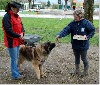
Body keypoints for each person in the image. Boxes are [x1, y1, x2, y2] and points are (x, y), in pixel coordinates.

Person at [56, 10, 95, 76]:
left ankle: (85, 72)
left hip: (83, 45)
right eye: (74, 17)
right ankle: (77, 70)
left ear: (80, 16)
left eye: (76, 17)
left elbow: (92, 30)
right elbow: (66, 30)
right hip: (75, 44)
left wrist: (88, 37)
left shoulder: (86, 23)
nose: (74, 18)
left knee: (83, 58)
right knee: (76, 58)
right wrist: (59, 35)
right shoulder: (72, 23)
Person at [2, 1, 25, 80]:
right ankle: (15, 75)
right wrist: (19, 35)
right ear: (12, 8)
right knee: (14, 58)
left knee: (16, 57)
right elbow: (8, 31)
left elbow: (21, 26)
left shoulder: (17, 16)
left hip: (18, 40)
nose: (18, 10)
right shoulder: (7, 17)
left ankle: (16, 70)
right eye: (17, 9)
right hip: (11, 42)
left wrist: (22, 32)